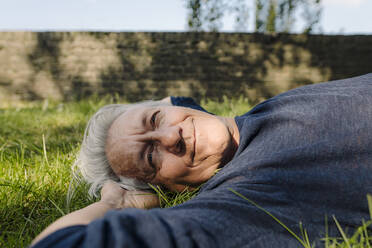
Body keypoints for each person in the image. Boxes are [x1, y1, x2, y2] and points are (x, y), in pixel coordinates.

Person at [31, 74, 372, 248]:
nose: (171, 137)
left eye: (154, 119)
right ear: (165, 187)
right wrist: (115, 202)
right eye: (151, 157)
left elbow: (181, 103)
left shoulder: (258, 112)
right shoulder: (244, 195)